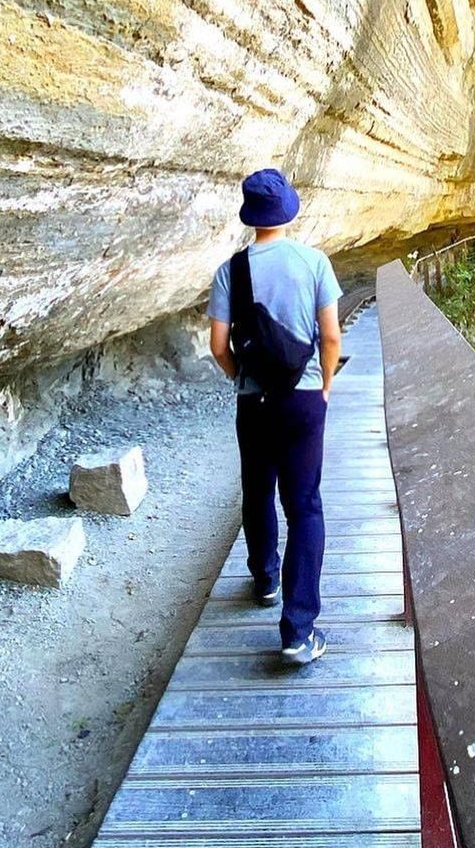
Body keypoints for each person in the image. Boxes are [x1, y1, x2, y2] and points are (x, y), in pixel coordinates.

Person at [207, 168, 342, 664]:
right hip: (304, 400)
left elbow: (219, 346)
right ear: (288, 210)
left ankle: (264, 579)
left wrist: (239, 379)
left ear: (251, 217)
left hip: (254, 401)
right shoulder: (314, 263)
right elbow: (330, 338)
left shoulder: (230, 271)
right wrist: (325, 384)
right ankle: (298, 631)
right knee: (304, 505)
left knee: (258, 489)